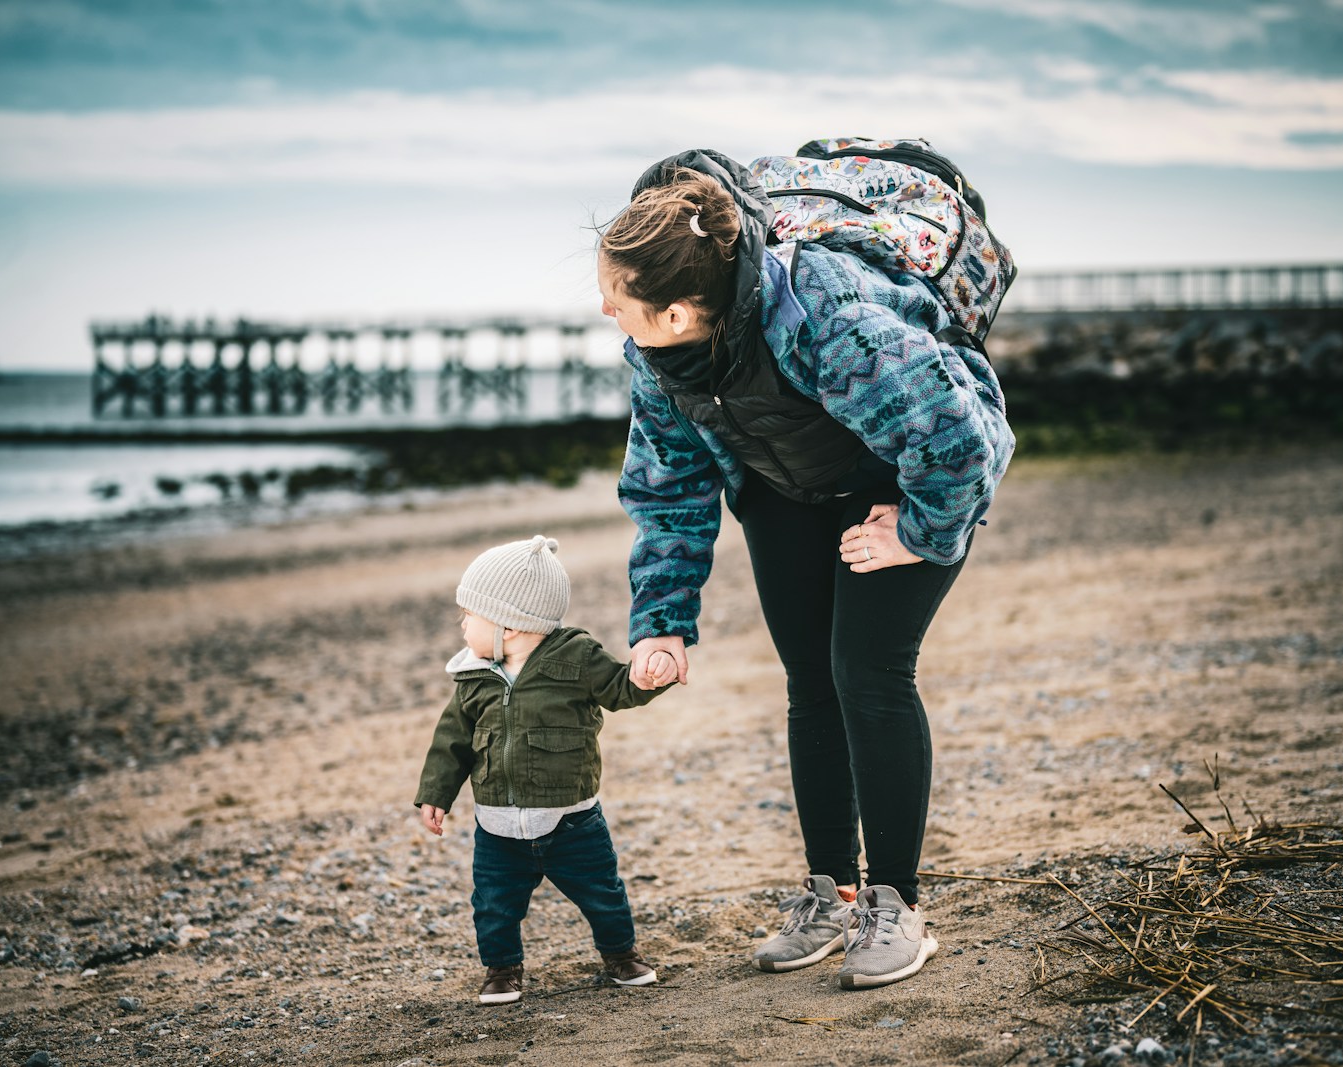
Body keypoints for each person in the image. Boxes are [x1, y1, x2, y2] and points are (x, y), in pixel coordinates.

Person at [598, 149, 1015, 990]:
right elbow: (668, 486)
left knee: (867, 671)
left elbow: (960, 439)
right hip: (787, 482)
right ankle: (833, 892)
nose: (605, 310)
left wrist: (924, 531)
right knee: (808, 682)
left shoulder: (825, 313)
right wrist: (663, 621)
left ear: (679, 310)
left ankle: (898, 905)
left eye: (617, 299)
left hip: (901, 481)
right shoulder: (656, 358)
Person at [414, 535, 677, 1005]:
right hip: (495, 825)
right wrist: (436, 793)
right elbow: (450, 740)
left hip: (572, 820)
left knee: (602, 892)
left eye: (468, 617)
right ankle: (501, 969)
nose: (462, 627)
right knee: (494, 905)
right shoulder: (473, 675)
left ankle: (621, 955)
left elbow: (620, 689)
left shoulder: (576, 657)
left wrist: (648, 676)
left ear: (509, 626)